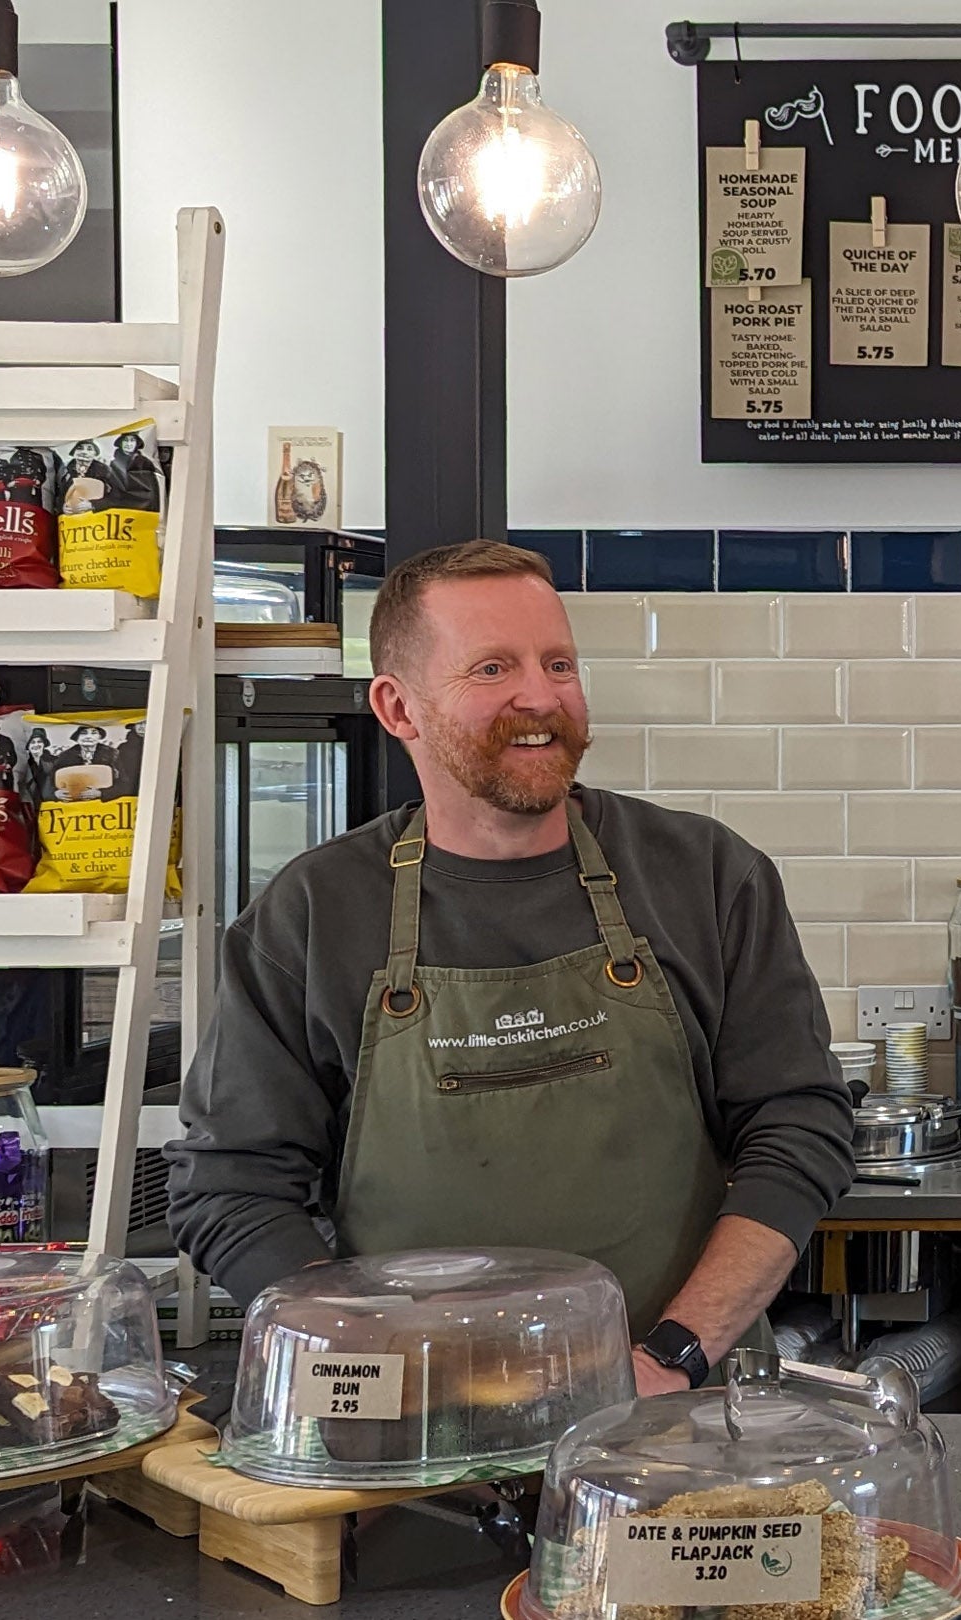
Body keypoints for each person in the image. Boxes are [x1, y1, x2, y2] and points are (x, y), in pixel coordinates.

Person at [166, 541, 853, 1395]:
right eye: (493, 668)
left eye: (557, 662)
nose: (542, 696)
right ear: (398, 707)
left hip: (678, 1417)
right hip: (410, 1444)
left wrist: (676, 1350)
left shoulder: (707, 876)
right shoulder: (313, 914)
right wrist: (386, 1367)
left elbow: (799, 1129)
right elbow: (228, 1189)